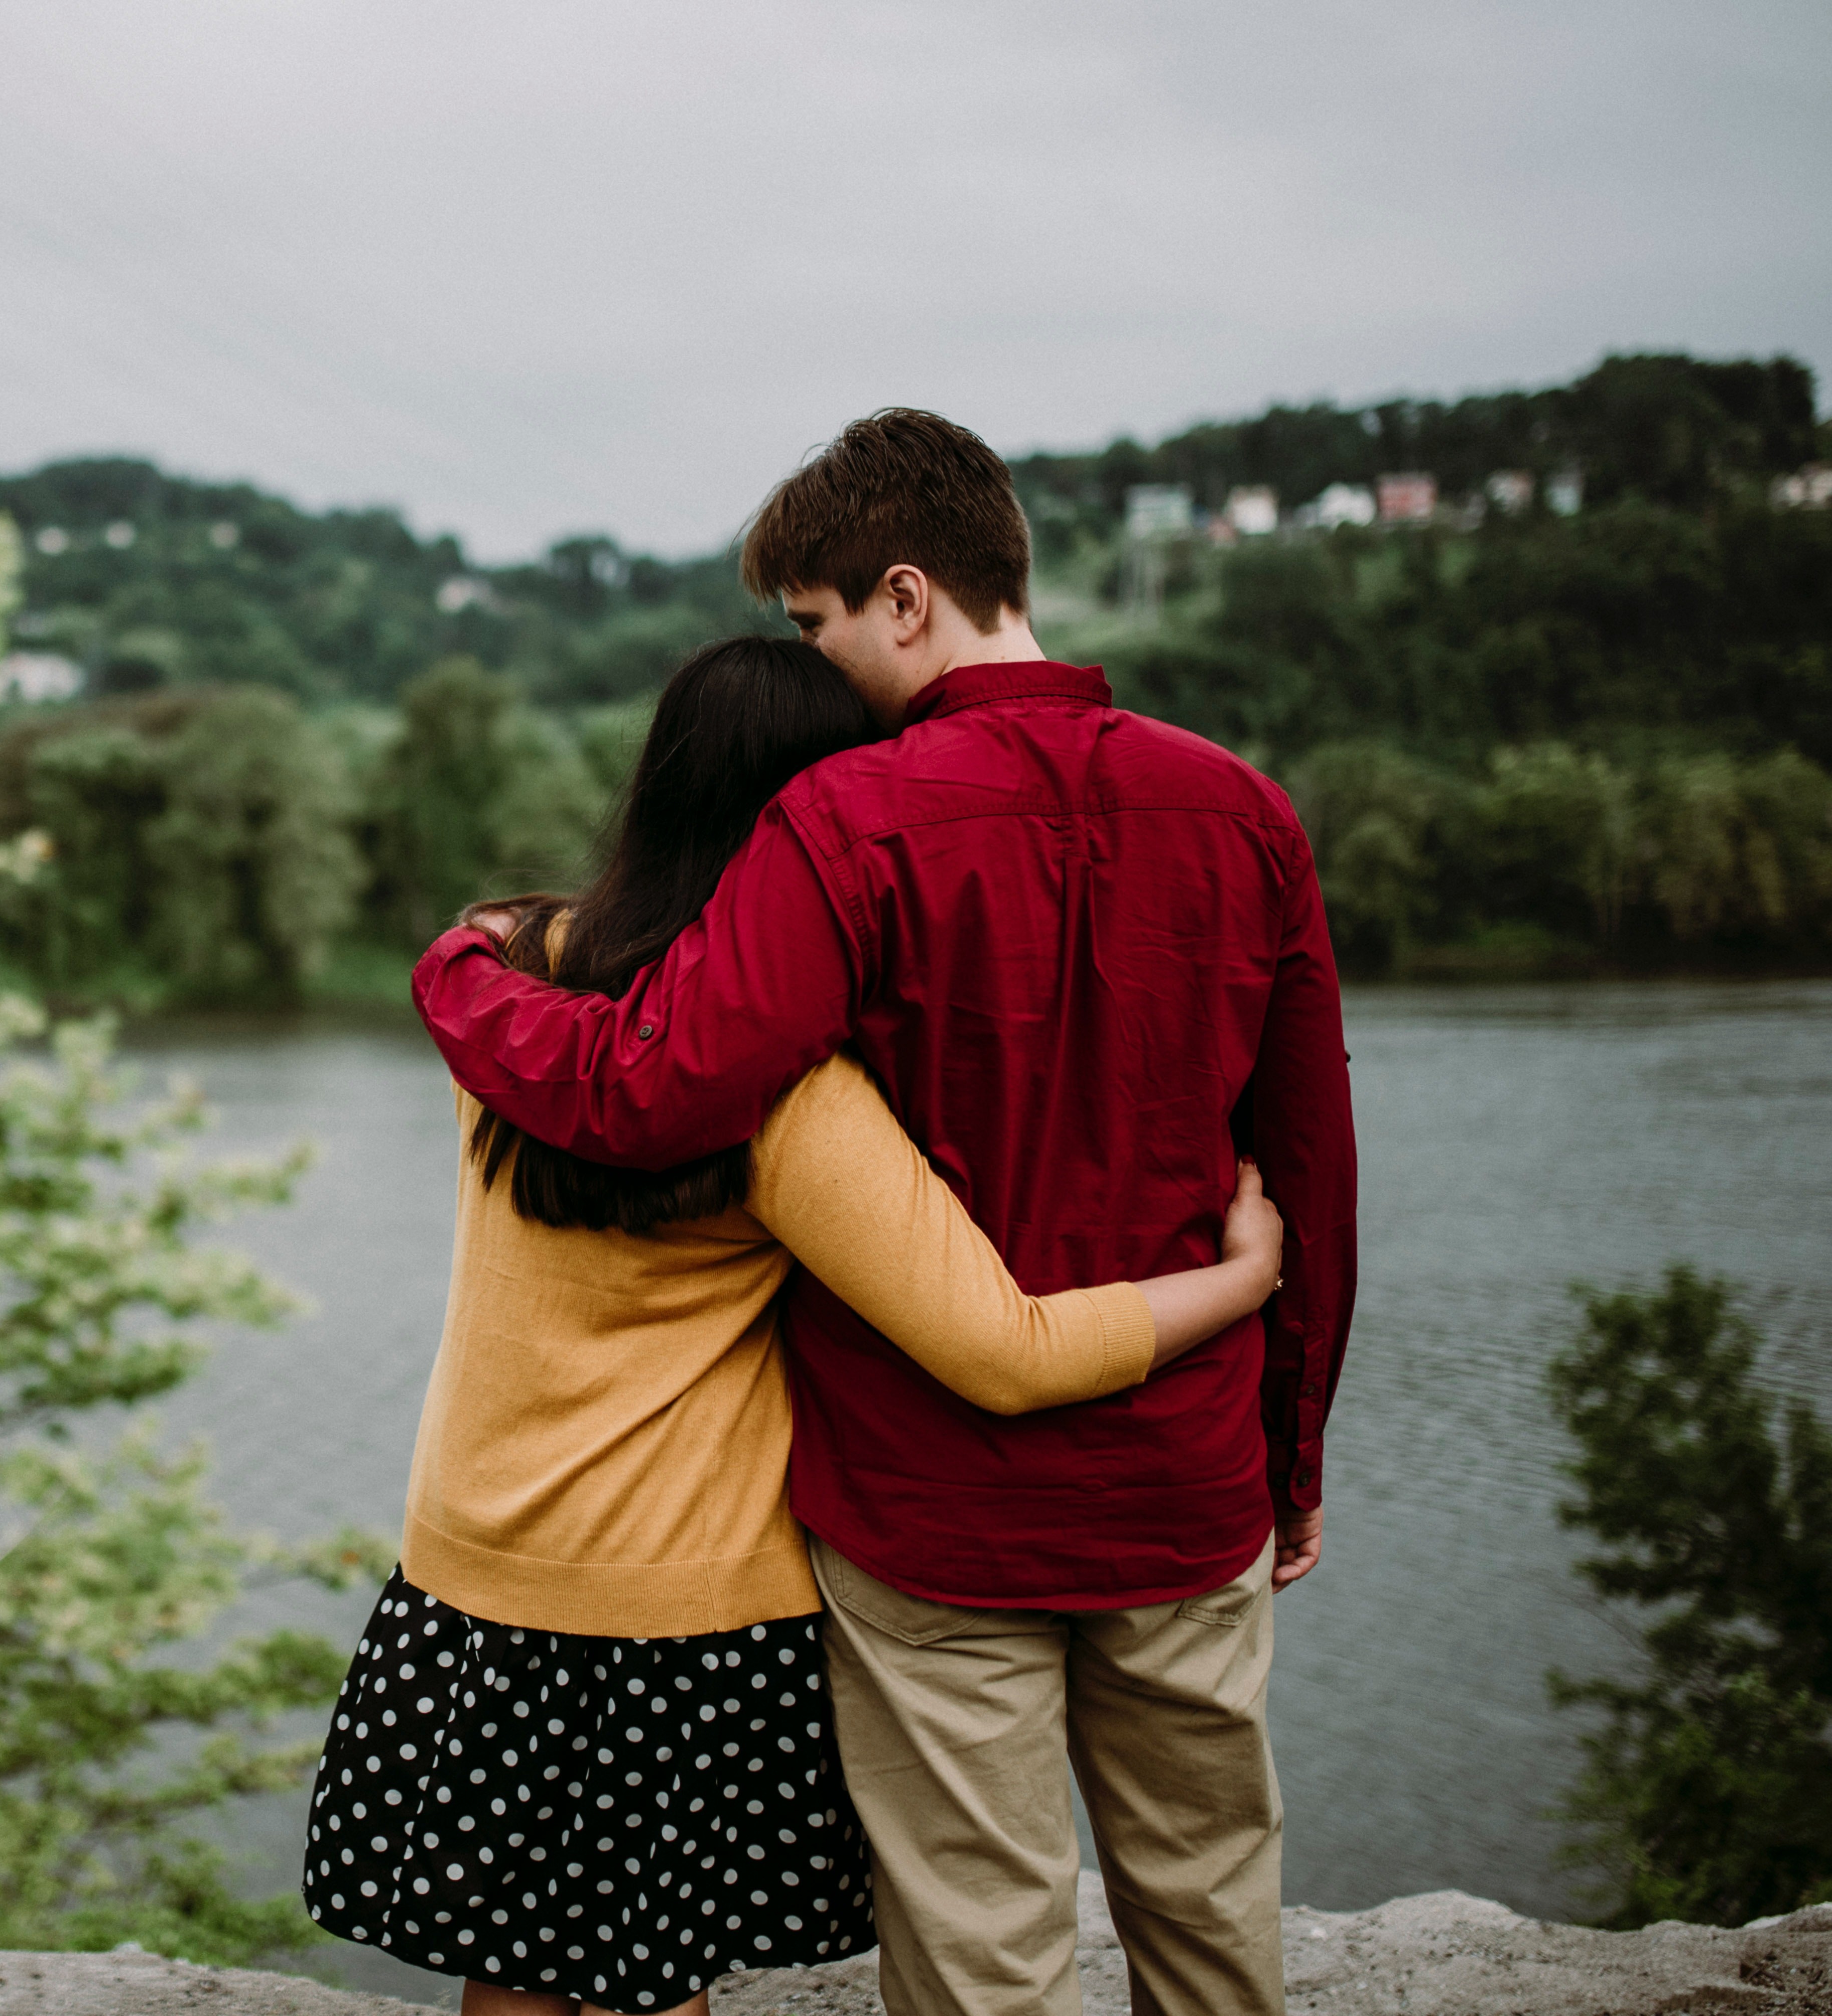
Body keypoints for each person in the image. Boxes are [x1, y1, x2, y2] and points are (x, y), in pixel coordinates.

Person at [409, 413, 1360, 2016]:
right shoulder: (1243, 811)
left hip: (932, 1513)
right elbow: (1310, 1164)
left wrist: (462, 973)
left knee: (979, 1954)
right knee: (1212, 1925)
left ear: (905, 597)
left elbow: (656, 1084)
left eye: (817, 623)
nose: (817, 663)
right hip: (1187, 1485)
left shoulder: (842, 825)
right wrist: (1294, 1451)